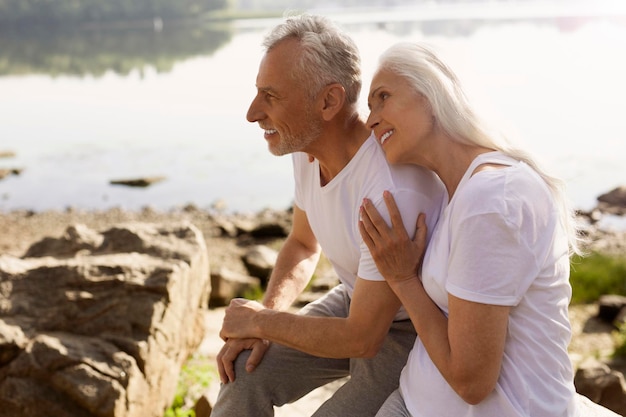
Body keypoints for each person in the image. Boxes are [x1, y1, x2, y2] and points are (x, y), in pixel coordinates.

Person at [358, 42, 620, 417]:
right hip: (415, 400)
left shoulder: (491, 198)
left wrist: (403, 280)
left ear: (434, 92)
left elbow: (471, 383)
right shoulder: (460, 191)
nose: (371, 120)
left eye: (382, 97)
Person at [211, 16, 446, 417]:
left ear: (328, 102)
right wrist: (265, 320)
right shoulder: (306, 151)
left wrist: (264, 322)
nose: (252, 113)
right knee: (243, 375)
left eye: (270, 96)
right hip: (356, 299)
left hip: (412, 328)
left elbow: (363, 338)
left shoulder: (389, 191)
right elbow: (303, 244)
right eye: (257, 93)